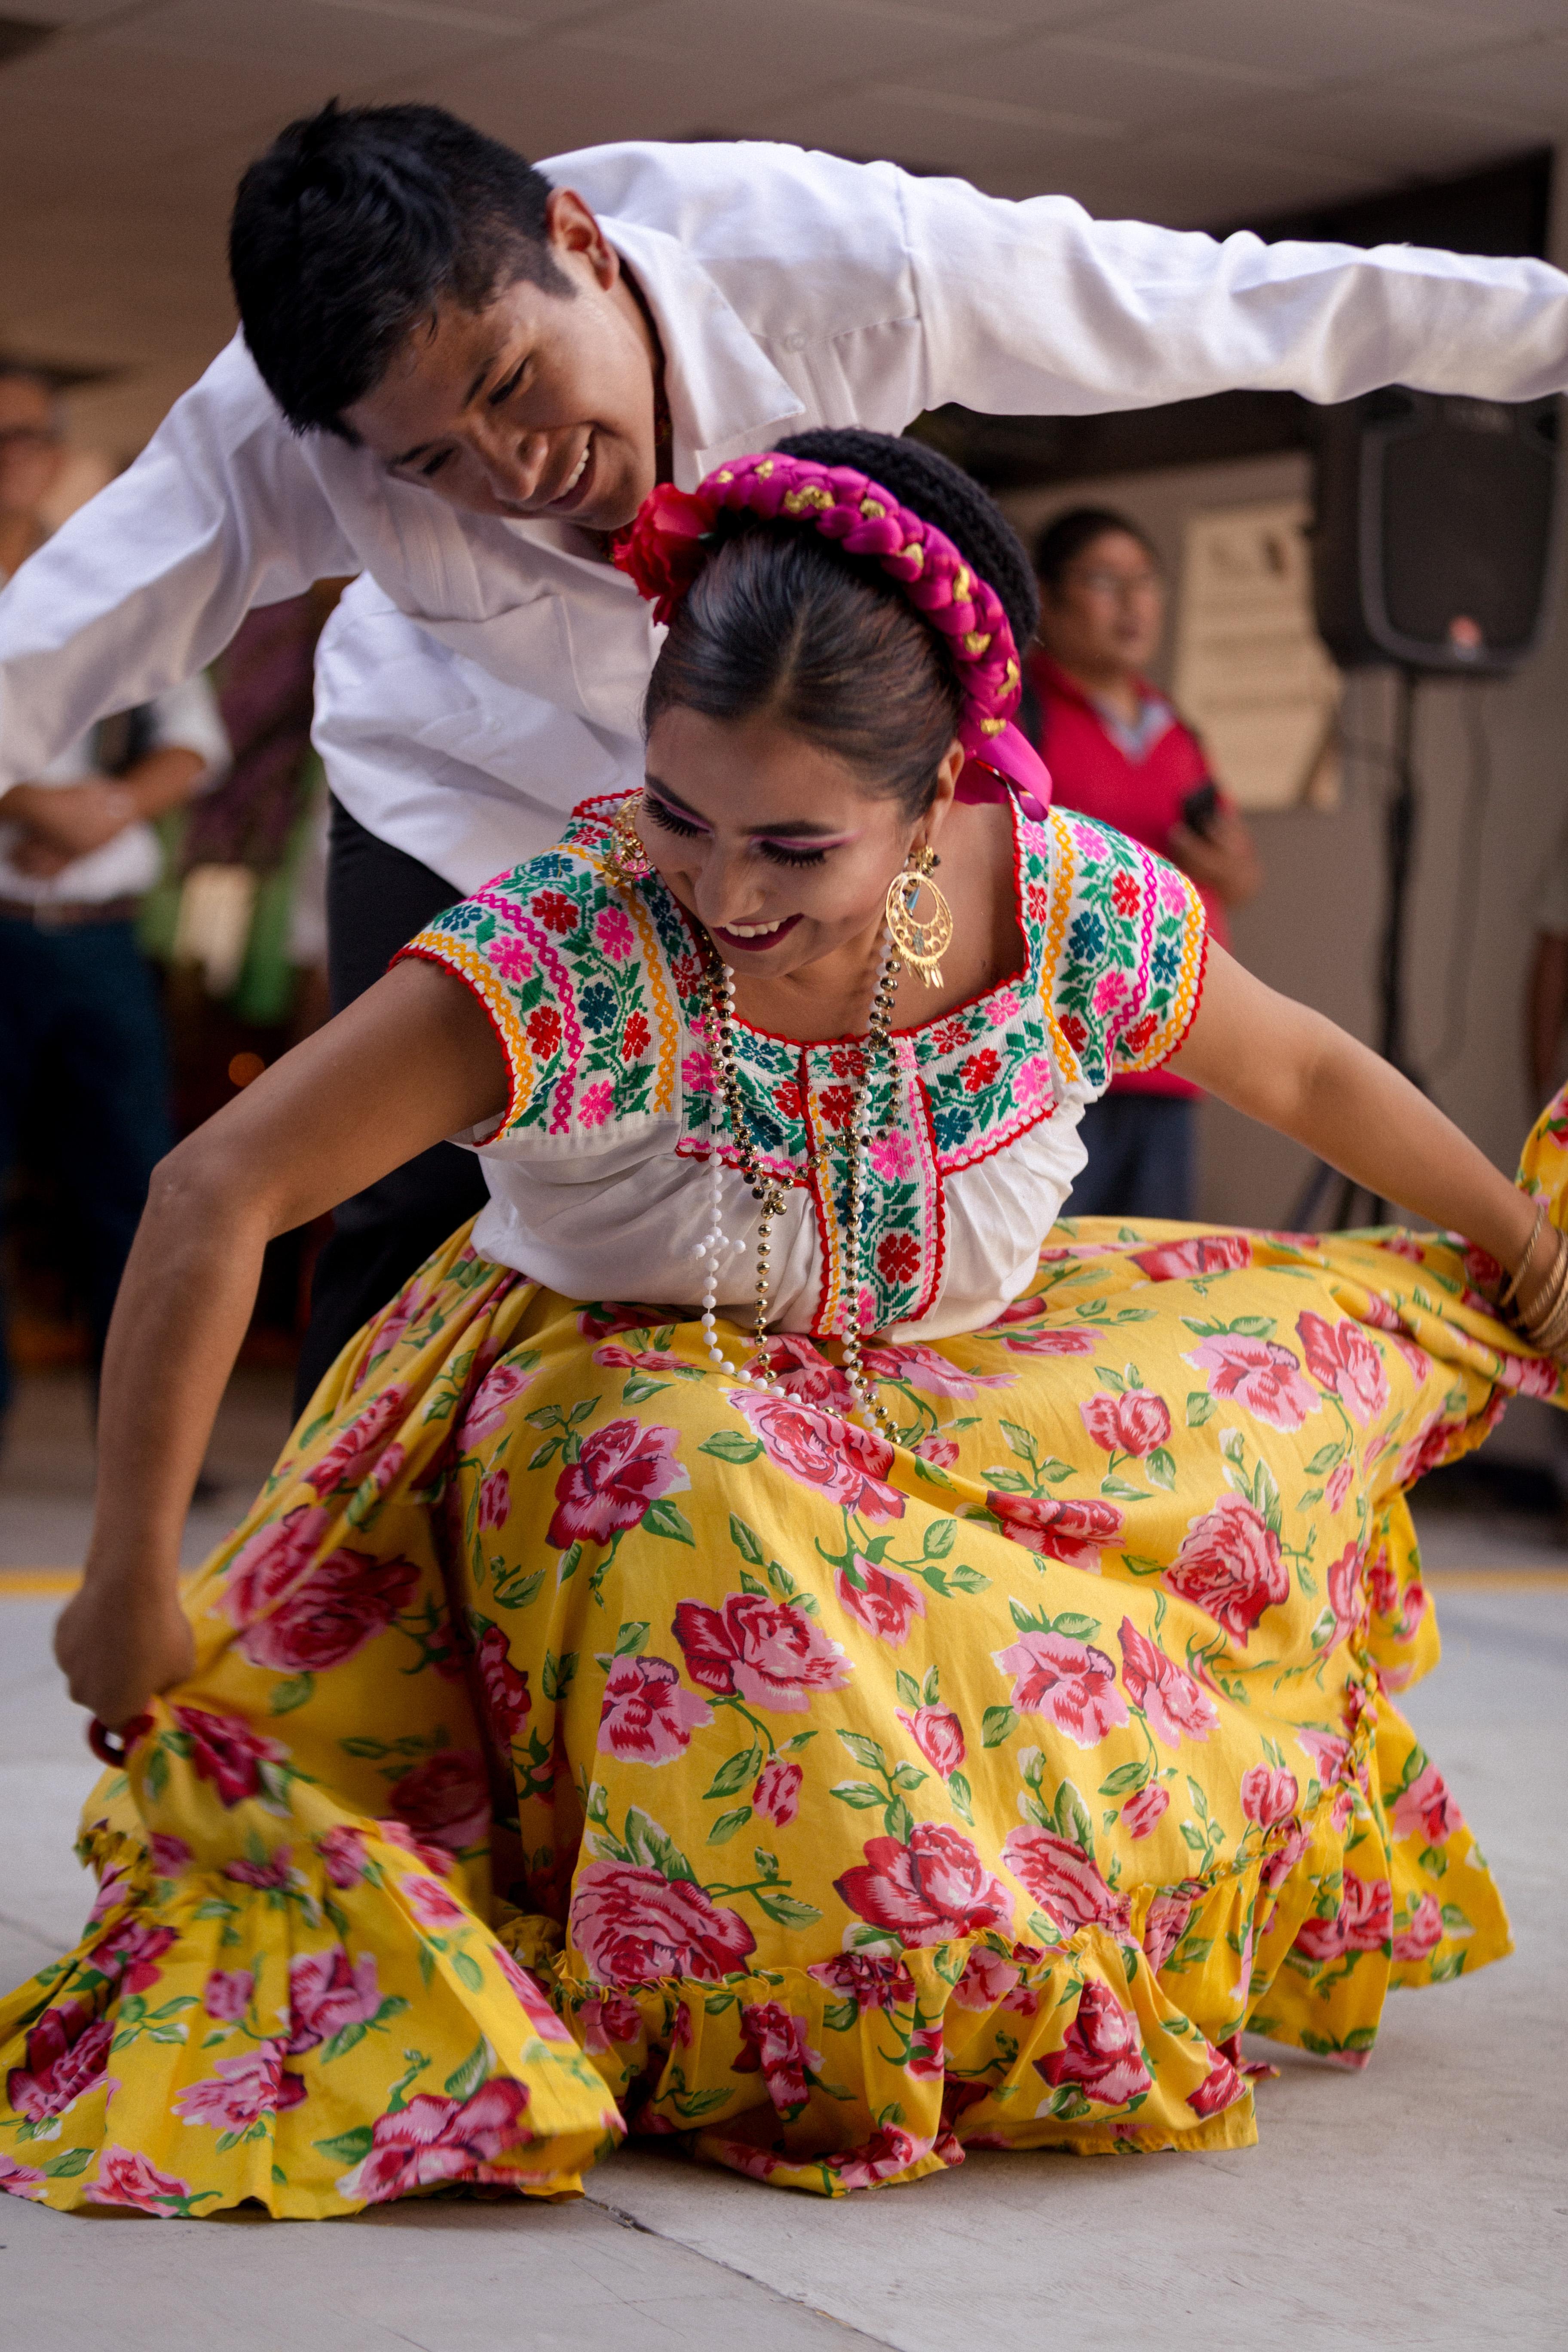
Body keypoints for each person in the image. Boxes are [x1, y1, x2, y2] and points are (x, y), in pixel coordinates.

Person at [1, 433, 1562, 2217]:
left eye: (795, 845)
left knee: (1276, 1377)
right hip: (616, 1421)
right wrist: (127, 1569)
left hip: (936, 1399)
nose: (724, 893)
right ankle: (773, 1972)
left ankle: (1008, 1896)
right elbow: (216, 1192)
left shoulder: (1070, 912)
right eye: (681, 813)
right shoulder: (583, 946)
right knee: (706, 1471)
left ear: (938, 801)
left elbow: (1300, 1065)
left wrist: (1522, 1240)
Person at [5, 105, 1568, 1403]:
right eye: (432, 463)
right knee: (412, 1210)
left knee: (838, 1190)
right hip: (462, 799)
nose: (513, 469)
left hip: (814, 781)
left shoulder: (834, 257)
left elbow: (1239, 302)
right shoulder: (284, 421)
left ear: (577, 243)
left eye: (513, 388)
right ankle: (378, 1586)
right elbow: (54, 638)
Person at [0, 366, 230, 1423]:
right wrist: (36, 804)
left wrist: (108, 810)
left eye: (30, 435)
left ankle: (137, 1436)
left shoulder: (103, 584)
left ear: (53, 450)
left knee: (133, 1189)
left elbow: (191, 741)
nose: (16, 455)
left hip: (100, 936)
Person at [1029, 506, 1262, 1220]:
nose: (1133, 604)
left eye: (1145, 582)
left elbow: (1243, 878)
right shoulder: (1020, 716)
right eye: (1106, 581)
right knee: (1048, 1279)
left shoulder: (1177, 728)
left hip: (1173, 1057)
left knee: (1149, 1272)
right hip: (1058, 1061)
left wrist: (1225, 866)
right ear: (1047, 597)